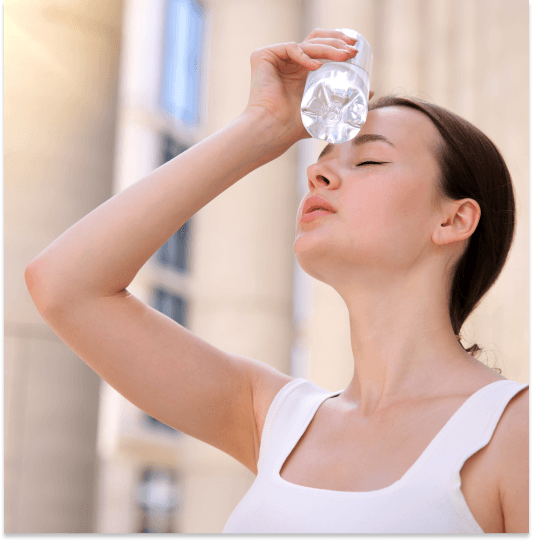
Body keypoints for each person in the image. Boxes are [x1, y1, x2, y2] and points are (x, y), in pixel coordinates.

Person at [25, 29, 528, 534]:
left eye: (369, 160)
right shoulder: (277, 421)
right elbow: (63, 285)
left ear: (454, 219)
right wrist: (260, 127)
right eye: (322, 161)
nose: (319, 175)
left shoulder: (512, 431)